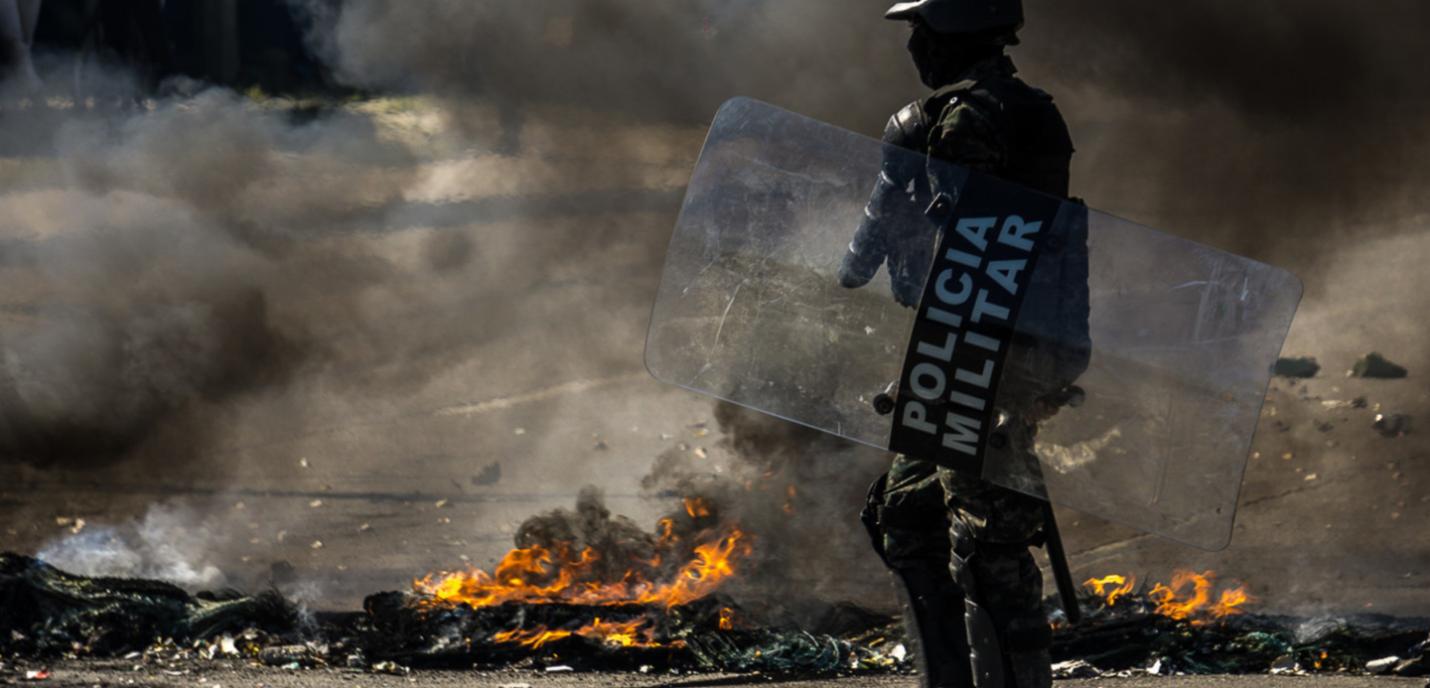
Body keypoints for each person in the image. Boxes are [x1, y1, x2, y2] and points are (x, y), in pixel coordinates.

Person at [839, 2, 1087, 687]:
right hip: (973, 344)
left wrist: (930, 368)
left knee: (987, 541)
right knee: (908, 518)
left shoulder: (972, 117)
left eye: (922, 29)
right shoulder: (1001, 109)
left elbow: (972, 254)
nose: (914, 45)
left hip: (984, 351)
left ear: (953, 31)